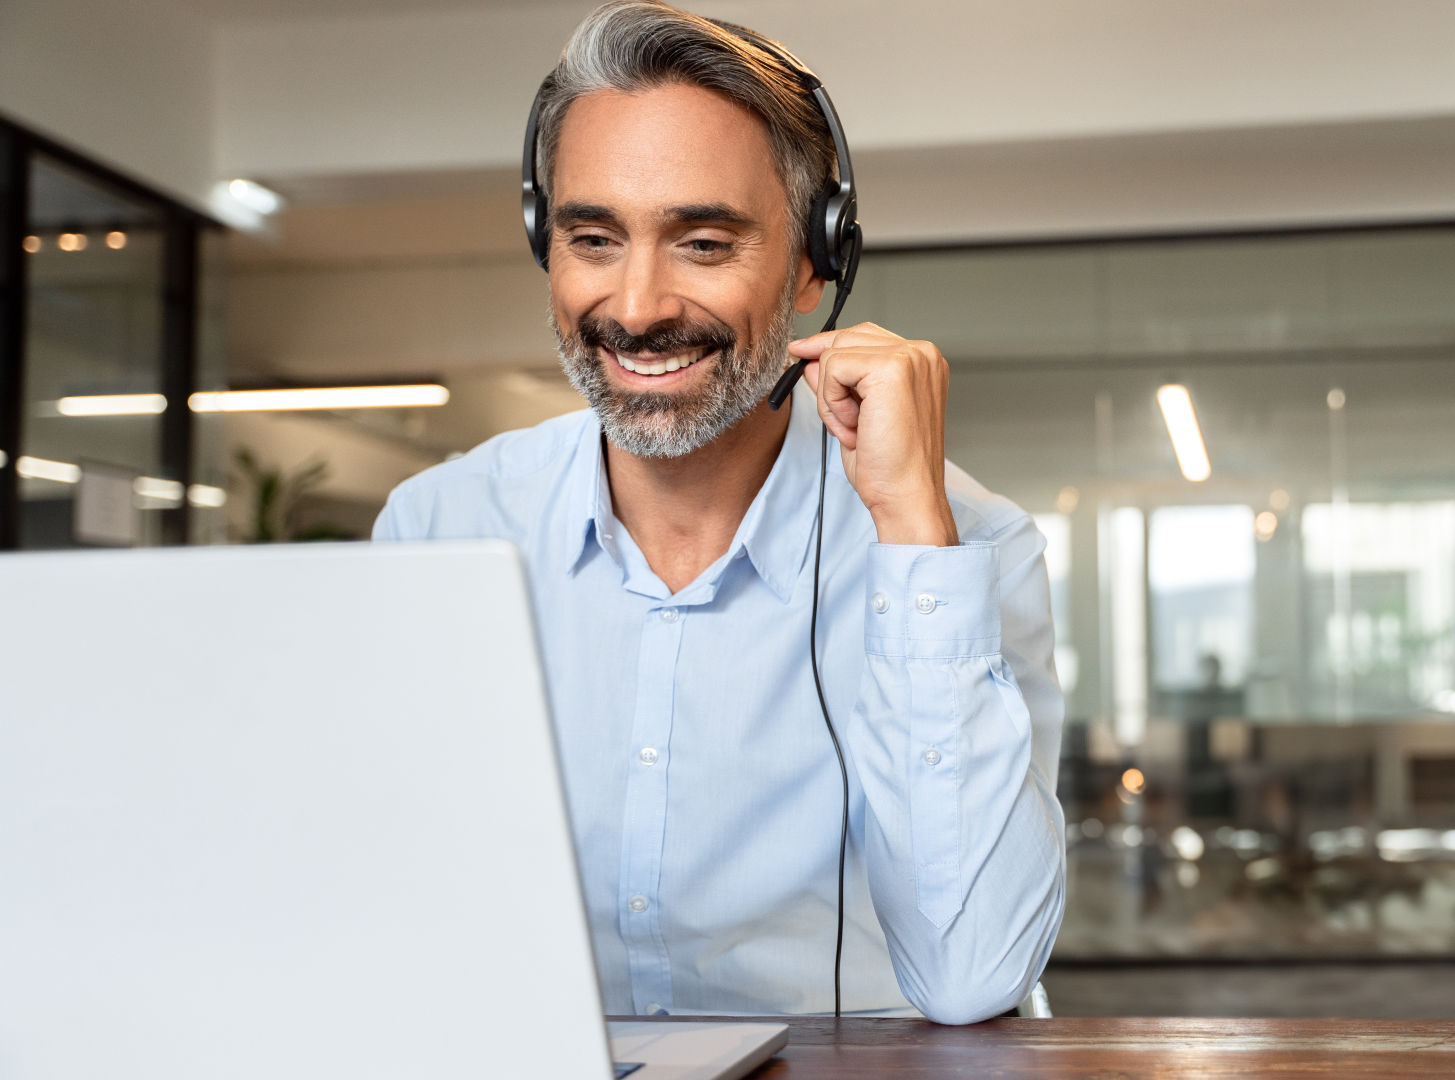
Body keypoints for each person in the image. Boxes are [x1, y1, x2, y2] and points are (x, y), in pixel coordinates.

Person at [371, 1, 1064, 1025]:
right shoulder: (438, 530)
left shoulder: (968, 545)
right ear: (542, 242)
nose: (639, 305)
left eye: (702, 241)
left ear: (816, 262)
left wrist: (915, 538)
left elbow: (976, 977)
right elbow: (385, 903)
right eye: (594, 237)